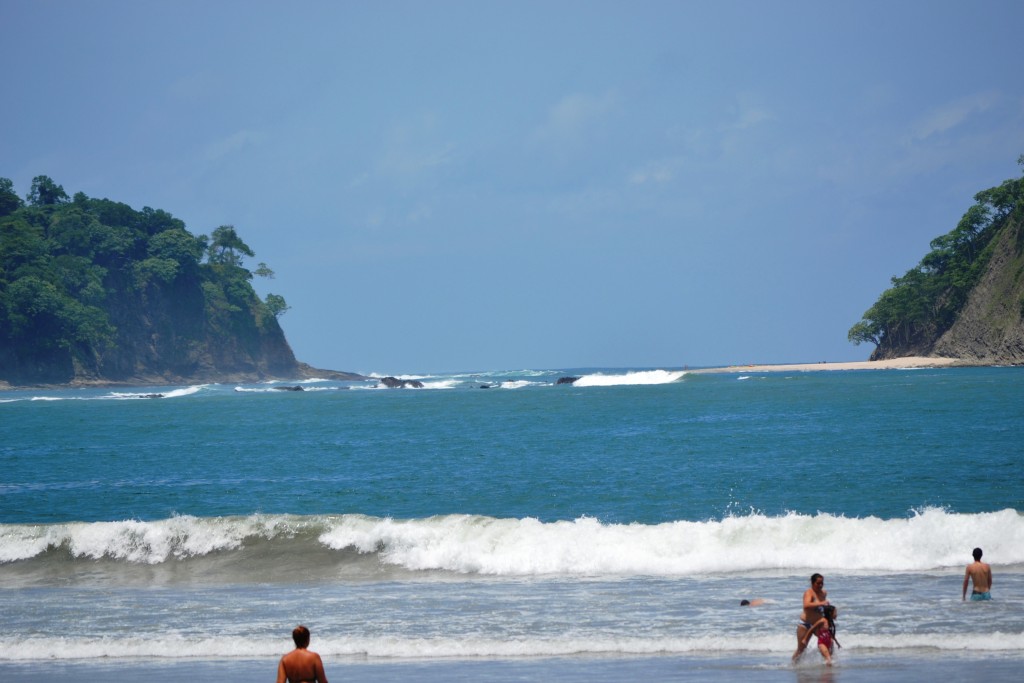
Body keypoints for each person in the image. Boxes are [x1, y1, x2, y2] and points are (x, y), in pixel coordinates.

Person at [792, 573, 830, 663]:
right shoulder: (809, 592)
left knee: (827, 642)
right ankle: (793, 665)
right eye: (818, 583)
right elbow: (806, 605)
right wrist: (821, 603)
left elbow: (822, 608)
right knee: (801, 649)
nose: (820, 585)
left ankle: (828, 661)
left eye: (822, 583)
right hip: (805, 624)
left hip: (817, 624)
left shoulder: (824, 593)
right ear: (812, 583)